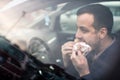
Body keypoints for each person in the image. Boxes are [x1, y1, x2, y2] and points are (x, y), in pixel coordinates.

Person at [61, 4, 120, 80]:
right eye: (77, 28)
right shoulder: (91, 47)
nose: (77, 35)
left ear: (102, 33)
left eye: (84, 30)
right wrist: (67, 62)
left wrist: (84, 73)